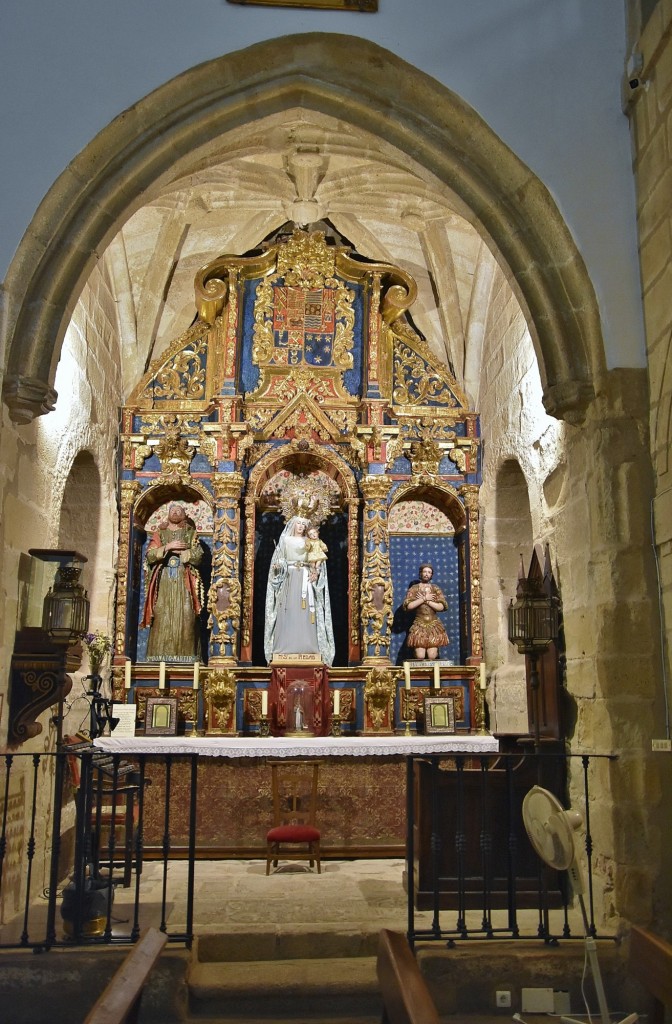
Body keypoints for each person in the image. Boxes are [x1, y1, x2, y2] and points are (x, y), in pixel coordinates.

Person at [264, 516, 335, 666]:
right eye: (298, 523)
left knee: (306, 612)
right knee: (287, 611)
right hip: (289, 579)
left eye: (304, 524)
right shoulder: (284, 540)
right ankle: (284, 648)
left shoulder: (310, 542)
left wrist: (316, 570)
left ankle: (308, 647)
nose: (301, 526)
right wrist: (278, 566)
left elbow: (317, 557)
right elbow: (279, 559)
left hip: (305, 577)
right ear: (292, 524)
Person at [140, 503, 204, 662]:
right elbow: (149, 555)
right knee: (162, 615)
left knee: (187, 616)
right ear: (167, 514)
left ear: (184, 514)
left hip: (185, 580)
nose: (175, 512)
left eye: (179, 511)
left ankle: (188, 657)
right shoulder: (160, 533)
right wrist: (168, 547)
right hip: (165, 580)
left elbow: (199, 556)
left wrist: (183, 552)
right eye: (172, 510)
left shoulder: (190, 532)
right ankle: (158, 657)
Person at [403, 563, 449, 660]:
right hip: (419, 624)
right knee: (420, 656)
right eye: (424, 572)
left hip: (433, 624)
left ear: (432, 575)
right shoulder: (414, 588)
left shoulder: (435, 588)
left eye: (429, 572)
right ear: (420, 573)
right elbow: (408, 606)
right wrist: (423, 599)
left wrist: (427, 601)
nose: (426, 574)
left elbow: (441, 607)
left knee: (432, 656)